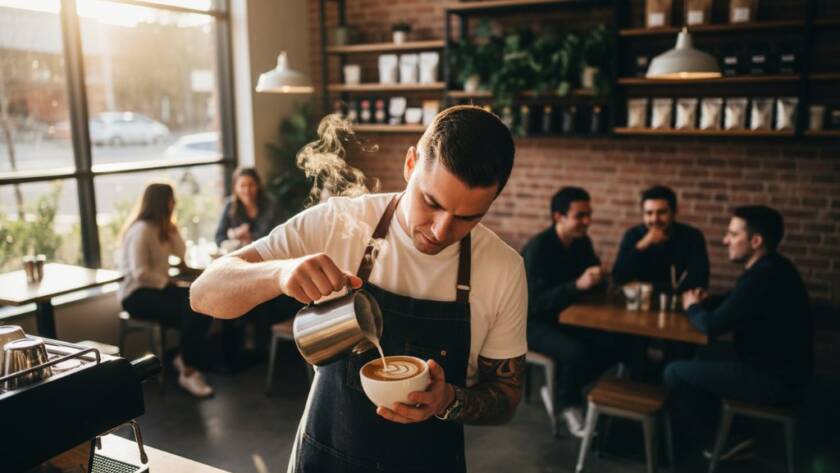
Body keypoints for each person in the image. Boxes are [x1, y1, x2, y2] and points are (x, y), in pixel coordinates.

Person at [190, 105, 527, 473]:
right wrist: (279, 274)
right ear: (411, 165)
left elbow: (507, 395)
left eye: (468, 217)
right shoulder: (340, 222)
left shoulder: (503, 269)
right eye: (431, 203)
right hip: (327, 456)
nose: (441, 230)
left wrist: (448, 400)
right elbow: (204, 294)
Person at [665, 205, 813, 460]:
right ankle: (732, 425)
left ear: (756, 241)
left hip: (774, 381)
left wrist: (693, 308)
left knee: (673, 372)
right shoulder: (773, 267)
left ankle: (721, 442)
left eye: (733, 235)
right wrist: (707, 301)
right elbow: (737, 301)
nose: (725, 240)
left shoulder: (762, 276)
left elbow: (711, 327)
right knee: (702, 354)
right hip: (785, 371)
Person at [522, 186, 626, 437]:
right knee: (577, 353)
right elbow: (534, 302)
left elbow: (589, 283)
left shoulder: (582, 243)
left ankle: (559, 389)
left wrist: (600, 277)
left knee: (616, 344)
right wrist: (576, 285)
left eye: (588, 214)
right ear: (559, 217)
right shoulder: (538, 248)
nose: (587, 221)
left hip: (568, 318)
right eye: (580, 216)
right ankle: (568, 404)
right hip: (533, 323)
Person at [117, 182, 214, 398]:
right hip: (136, 294)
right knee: (191, 310)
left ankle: (185, 361)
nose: (174, 204)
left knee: (202, 302)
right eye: (171, 200)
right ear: (163, 202)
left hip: (157, 288)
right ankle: (188, 369)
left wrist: (174, 232)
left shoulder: (160, 229)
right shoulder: (140, 231)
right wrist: (166, 282)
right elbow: (140, 272)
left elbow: (180, 255)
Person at [612, 185, 709, 293]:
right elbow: (618, 278)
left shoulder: (693, 236)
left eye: (661, 212)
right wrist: (641, 246)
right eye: (649, 213)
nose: (655, 219)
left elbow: (699, 282)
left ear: (674, 212)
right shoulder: (633, 235)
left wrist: (646, 287)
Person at [214, 167, 278, 250]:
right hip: (239, 255)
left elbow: (278, 236)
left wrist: (250, 237)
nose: (247, 190)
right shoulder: (230, 205)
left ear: (258, 185)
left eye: (251, 185)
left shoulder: (271, 205)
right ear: (235, 188)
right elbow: (219, 237)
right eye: (242, 185)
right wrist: (234, 235)